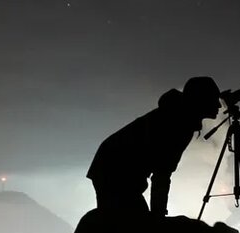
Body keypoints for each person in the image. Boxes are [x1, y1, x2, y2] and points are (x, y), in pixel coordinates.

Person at [86, 76, 222, 218]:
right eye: (214, 99)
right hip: (113, 169)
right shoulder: (178, 124)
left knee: (130, 226)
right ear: (201, 100)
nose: (219, 105)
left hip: (112, 166)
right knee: (129, 227)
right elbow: (162, 174)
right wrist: (159, 216)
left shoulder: (177, 116)